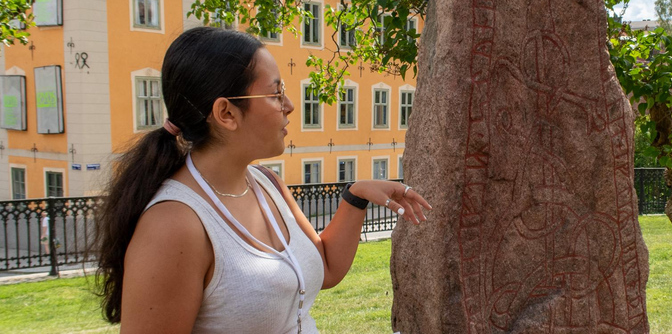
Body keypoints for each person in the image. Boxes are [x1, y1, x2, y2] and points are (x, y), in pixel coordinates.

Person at [94, 26, 431, 334]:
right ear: (226, 113)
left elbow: (323, 267)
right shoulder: (173, 225)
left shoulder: (266, 183)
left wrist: (356, 195)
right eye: (275, 93)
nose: (290, 105)